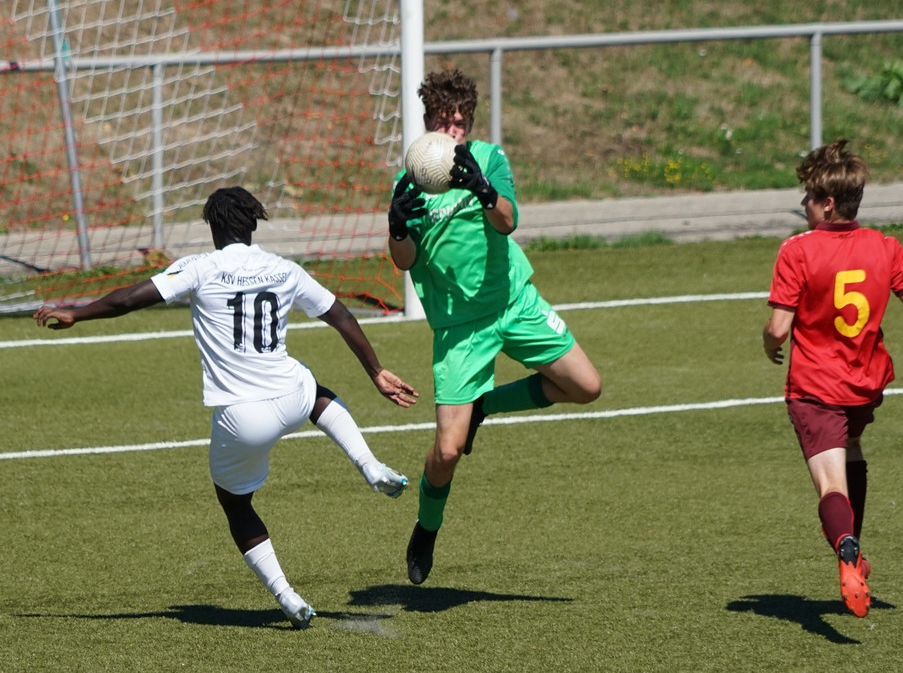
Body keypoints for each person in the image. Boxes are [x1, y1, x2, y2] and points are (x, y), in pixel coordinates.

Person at [34, 186, 419, 629]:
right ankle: (369, 464)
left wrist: (77, 313)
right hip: (290, 396)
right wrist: (375, 371)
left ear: (213, 226)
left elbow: (128, 299)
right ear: (253, 224)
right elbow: (340, 315)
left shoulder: (201, 267)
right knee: (315, 391)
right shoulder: (283, 268)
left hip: (242, 417)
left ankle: (287, 596)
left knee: (235, 503)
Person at [386, 68, 602, 585]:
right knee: (446, 451)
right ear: (428, 121)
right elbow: (404, 260)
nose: (452, 130)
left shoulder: (488, 159)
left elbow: (507, 221)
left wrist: (483, 189)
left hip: (513, 304)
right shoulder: (412, 179)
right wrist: (396, 226)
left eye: (461, 122)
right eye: (444, 121)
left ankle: (486, 405)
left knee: (586, 386)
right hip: (460, 330)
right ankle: (426, 528)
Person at [762, 140, 903, 618]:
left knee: (830, 485)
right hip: (865, 384)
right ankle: (855, 554)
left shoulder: (798, 250)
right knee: (853, 447)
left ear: (827, 204)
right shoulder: (886, 246)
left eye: (807, 196)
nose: (803, 203)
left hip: (816, 387)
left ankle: (846, 546)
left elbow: (778, 329)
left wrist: (768, 344)